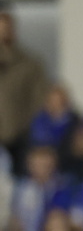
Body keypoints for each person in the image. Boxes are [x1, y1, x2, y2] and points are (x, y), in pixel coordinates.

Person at [0, 9, 48, 154]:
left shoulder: (30, 63)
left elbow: (39, 100)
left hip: (20, 137)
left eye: (5, 28)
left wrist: (26, 127)